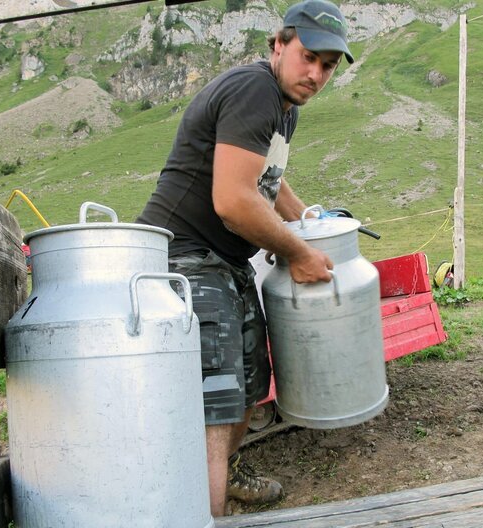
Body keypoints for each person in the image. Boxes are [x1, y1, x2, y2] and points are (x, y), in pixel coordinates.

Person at [137, 0, 354, 516]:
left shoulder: (285, 106)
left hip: (227, 260)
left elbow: (267, 180)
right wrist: (298, 252)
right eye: (308, 57)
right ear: (279, 44)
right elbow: (234, 201)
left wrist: (311, 223)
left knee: (249, 387)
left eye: (327, 65)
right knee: (216, 405)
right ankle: (205, 516)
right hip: (184, 258)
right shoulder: (254, 89)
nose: (316, 74)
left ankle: (227, 477)